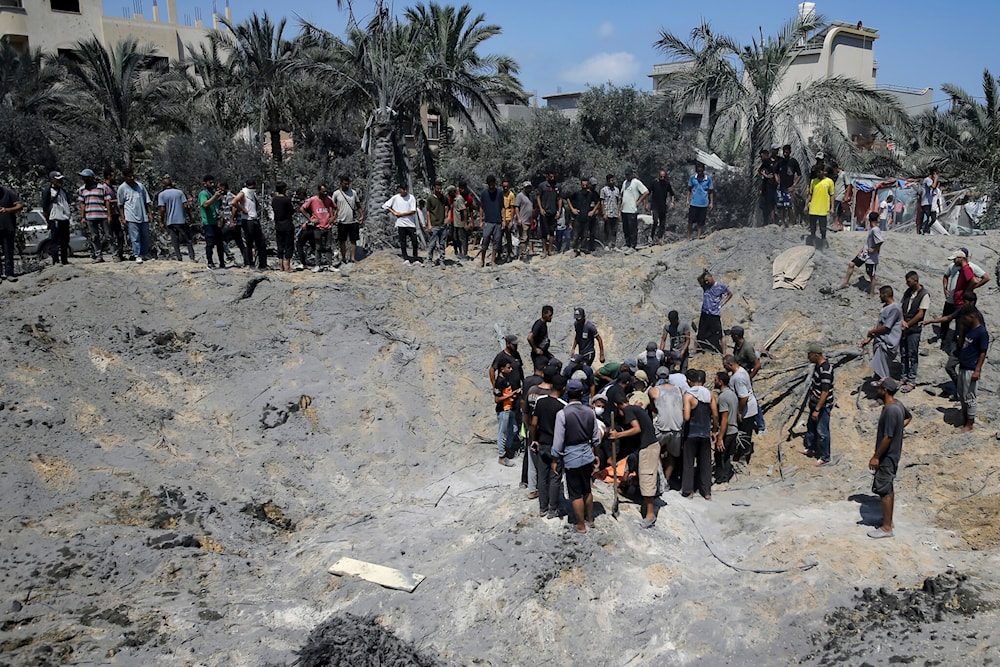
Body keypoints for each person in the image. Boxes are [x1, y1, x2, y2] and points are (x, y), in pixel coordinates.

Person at [551, 379, 600, 533]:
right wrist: (596, 456)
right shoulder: (590, 412)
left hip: (571, 458)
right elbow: (595, 438)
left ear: (566, 392)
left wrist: (555, 459)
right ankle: (590, 519)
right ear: (581, 393)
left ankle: (580, 525)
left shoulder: (562, 414)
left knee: (575, 493)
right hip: (587, 455)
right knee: (587, 489)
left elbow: (558, 441)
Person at [867, 377, 911, 538]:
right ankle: (888, 520)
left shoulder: (891, 410)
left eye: (879, 388)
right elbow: (908, 417)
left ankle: (886, 528)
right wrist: (900, 429)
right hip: (893, 454)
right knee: (888, 487)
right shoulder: (897, 404)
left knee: (884, 490)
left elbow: (888, 436)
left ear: (885, 390)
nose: (877, 390)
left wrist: (876, 456)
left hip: (887, 456)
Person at [609, 394, 660, 527]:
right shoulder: (635, 409)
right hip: (648, 447)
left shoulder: (628, 410)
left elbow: (637, 428)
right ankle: (646, 507)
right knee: (644, 477)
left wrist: (618, 435)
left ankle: (650, 515)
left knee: (647, 479)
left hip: (648, 448)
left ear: (616, 405)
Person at [938, 248, 989, 352]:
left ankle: (958, 349)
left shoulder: (968, 268)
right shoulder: (956, 267)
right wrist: (945, 289)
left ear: (961, 258)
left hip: (961, 302)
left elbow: (978, 280)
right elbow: (946, 276)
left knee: (959, 324)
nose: (953, 261)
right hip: (953, 299)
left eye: (955, 259)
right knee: (947, 319)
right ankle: (944, 339)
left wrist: (969, 290)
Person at [531, 374, 567, 518]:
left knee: (542, 475)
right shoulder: (563, 406)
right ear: (563, 388)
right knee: (555, 477)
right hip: (556, 446)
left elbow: (534, 424)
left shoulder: (540, 401)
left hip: (542, 443)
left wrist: (534, 440)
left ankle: (542, 507)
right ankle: (553, 509)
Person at [682, 368, 717, 500]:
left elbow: (686, 417)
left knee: (688, 462)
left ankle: (688, 491)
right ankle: (706, 491)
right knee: (705, 463)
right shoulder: (710, 394)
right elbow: (715, 414)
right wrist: (713, 430)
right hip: (705, 433)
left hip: (691, 433)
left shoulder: (688, 396)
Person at [649, 369, 685, 486]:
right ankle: (667, 480)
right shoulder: (678, 389)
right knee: (672, 455)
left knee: (655, 452)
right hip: (677, 426)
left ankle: (660, 480)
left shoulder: (654, 390)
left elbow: (653, 408)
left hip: (662, 426)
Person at [860, 286, 903, 384]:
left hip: (887, 343)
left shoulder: (895, 308)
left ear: (885, 294)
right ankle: (880, 388)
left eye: (880, 294)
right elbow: (879, 325)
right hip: (880, 341)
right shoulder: (885, 308)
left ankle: (886, 389)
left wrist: (871, 332)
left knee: (883, 370)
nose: (879, 297)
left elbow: (887, 327)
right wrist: (869, 339)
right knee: (880, 368)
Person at [800, 343, 834, 466]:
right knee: (811, 427)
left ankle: (825, 457)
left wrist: (817, 409)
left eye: (809, 355)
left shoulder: (825, 370)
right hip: (815, 403)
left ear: (815, 355)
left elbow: (825, 392)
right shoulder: (818, 366)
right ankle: (811, 448)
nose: (808, 357)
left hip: (822, 407)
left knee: (822, 431)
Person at [956, 307, 988, 432]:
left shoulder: (981, 332)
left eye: (965, 318)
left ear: (972, 316)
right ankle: (964, 420)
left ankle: (970, 424)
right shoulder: (969, 330)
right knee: (962, 395)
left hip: (971, 368)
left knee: (970, 396)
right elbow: (960, 345)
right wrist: (962, 330)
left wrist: (977, 370)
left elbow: (983, 352)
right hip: (963, 366)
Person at [723, 355, 759, 464]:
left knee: (744, 434)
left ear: (730, 364)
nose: (724, 368)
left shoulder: (738, 378)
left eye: (725, 366)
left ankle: (744, 456)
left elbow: (744, 397)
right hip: (748, 407)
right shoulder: (741, 372)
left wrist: (739, 412)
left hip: (747, 409)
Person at [899, 271, 929, 391]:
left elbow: (921, 313)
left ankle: (911, 379)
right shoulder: (908, 292)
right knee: (903, 353)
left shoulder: (924, 295)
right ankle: (903, 376)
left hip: (914, 329)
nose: (907, 284)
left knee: (912, 354)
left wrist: (908, 324)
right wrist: (902, 321)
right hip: (904, 327)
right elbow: (902, 307)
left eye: (909, 281)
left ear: (915, 280)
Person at [839, 213, 883, 296]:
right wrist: (861, 250)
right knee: (851, 264)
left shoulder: (876, 229)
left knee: (871, 275)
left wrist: (874, 249)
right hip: (865, 254)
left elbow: (880, 241)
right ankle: (845, 282)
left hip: (871, 257)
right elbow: (868, 242)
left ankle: (872, 293)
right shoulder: (873, 229)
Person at [117, 169, 154, 264]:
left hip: (143, 215)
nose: (132, 178)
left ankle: (144, 253)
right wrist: (123, 218)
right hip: (131, 216)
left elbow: (147, 201)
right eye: (129, 176)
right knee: (135, 237)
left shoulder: (140, 186)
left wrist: (150, 213)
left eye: (133, 175)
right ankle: (137, 255)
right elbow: (120, 205)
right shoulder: (122, 188)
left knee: (145, 236)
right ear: (125, 177)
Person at [300, 184, 337, 272]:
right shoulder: (313, 199)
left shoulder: (328, 199)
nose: (325, 193)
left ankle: (330, 265)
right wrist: (310, 219)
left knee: (328, 247)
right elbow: (302, 209)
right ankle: (317, 265)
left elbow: (335, 207)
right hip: (318, 227)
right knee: (318, 247)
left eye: (326, 191)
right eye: (323, 191)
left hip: (327, 226)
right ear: (319, 191)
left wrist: (333, 217)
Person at [78, 169, 111, 263]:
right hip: (90, 216)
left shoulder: (101, 188)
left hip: (102, 214)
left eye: (86, 177)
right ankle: (98, 255)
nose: (84, 179)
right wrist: (83, 217)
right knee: (94, 236)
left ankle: (114, 254)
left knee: (109, 235)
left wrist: (109, 215)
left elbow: (107, 202)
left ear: (91, 177)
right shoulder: (82, 189)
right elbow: (82, 204)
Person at [158, 177, 195, 262]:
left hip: (171, 221)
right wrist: (190, 217)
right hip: (181, 219)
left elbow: (162, 209)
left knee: (175, 240)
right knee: (187, 239)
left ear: (163, 185)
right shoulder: (179, 192)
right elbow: (185, 206)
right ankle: (192, 257)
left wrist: (162, 220)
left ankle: (179, 257)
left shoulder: (162, 195)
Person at [382, 183, 420, 265]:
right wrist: (394, 212)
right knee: (403, 241)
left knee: (414, 241)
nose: (405, 191)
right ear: (400, 189)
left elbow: (413, 210)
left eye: (406, 189)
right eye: (403, 189)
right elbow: (385, 205)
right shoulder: (395, 198)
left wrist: (401, 214)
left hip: (410, 224)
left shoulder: (411, 197)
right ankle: (405, 258)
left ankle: (415, 258)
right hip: (401, 224)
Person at [696, 270, 732, 354]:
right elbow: (698, 280)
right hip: (705, 313)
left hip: (714, 314)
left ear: (711, 277)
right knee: (700, 332)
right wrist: (703, 274)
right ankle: (696, 350)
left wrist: (722, 303)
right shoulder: (705, 286)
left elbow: (729, 294)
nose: (706, 282)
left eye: (707, 280)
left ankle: (724, 353)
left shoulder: (720, 286)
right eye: (705, 280)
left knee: (720, 334)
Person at [41, 171, 72, 266]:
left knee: (65, 241)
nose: (60, 181)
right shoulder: (48, 191)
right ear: (52, 180)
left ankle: (64, 260)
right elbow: (45, 207)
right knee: (55, 241)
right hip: (55, 218)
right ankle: (55, 261)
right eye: (58, 179)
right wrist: (48, 220)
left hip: (65, 219)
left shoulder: (63, 191)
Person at [493, 359, 520, 467]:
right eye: (509, 367)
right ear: (502, 369)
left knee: (514, 429)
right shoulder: (499, 381)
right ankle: (502, 457)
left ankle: (507, 449)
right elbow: (497, 399)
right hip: (503, 410)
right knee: (502, 433)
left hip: (510, 409)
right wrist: (511, 394)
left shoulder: (506, 378)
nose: (511, 369)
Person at [713, 371, 738, 483]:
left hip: (727, 431)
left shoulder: (723, 397)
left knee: (719, 455)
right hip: (734, 429)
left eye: (716, 380)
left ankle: (721, 478)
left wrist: (720, 438)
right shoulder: (732, 394)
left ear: (721, 382)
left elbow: (724, 419)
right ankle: (726, 476)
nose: (714, 381)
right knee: (727, 456)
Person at [332, 176, 364, 265]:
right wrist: (332, 218)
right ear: (341, 183)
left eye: (348, 184)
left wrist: (361, 215)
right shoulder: (336, 194)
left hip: (352, 220)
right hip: (341, 220)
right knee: (342, 240)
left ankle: (353, 258)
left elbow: (358, 205)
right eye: (345, 184)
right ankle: (343, 258)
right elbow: (332, 206)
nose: (346, 185)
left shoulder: (353, 192)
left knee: (353, 240)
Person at [198, 175, 227, 270]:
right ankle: (210, 262)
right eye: (210, 182)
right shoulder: (203, 194)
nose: (212, 184)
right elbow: (205, 204)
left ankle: (222, 262)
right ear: (205, 183)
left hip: (216, 221)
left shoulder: (214, 193)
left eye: (213, 182)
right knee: (210, 243)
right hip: (208, 222)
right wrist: (215, 197)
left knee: (220, 243)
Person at [805, 165, 835, 249]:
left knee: (823, 229)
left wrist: (832, 207)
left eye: (819, 171)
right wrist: (806, 205)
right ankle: (814, 246)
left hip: (823, 209)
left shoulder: (829, 182)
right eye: (816, 172)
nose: (818, 173)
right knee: (813, 229)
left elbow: (832, 195)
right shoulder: (813, 181)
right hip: (813, 208)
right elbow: (810, 194)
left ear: (823, 171)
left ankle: (823, 244)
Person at [620, 167, 648, 250]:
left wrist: (639, 201)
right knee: (626, 228)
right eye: (626, 175)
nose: (627, 176)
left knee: (632, 228)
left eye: (628, 175)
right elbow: (622, 194)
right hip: (624, 209)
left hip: (632, 209)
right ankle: (627, 244)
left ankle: (633, 245)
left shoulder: (636, 182)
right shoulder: (625, 183)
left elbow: (646, 192)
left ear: (632, 174)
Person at [568, 177, 599, 256]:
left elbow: (598, 201)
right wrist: (572, 209)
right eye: (583, 185)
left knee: (585, 235)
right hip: (578, 217)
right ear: (581, 185)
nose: (584, 187)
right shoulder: (577, 193)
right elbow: (568, 199)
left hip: (587, 217)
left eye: (586, 185)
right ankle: (574, 249)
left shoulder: (591, 194)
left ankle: (581, 249)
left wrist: (593, 211)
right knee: (575, 235)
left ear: (588, 185)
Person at [0, 180, 23, 282]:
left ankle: (9, 273)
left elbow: (19, 205)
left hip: (7, 227)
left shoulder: (8, 192)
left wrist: (7, 210)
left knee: (8, 251)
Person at [479, 175, 504, 267]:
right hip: (488, 221)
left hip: (497, 221)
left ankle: (493, 260)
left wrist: (503, 220)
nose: (491, 185)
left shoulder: (500, 193)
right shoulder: (484, 193)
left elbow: (503, 207)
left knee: (496, 242)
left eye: (493, 183)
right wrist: (481, 220)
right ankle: (482, 260)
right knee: (485, 240)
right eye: (490, 183)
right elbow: (481, 207)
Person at [271, 182, 295, 272]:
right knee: (288, 245)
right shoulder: (286, 200)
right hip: (287, 225)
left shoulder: (274, 200)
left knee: (280, 245)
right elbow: (291, 211)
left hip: (278, 225)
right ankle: (287, 266)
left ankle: (280, 265)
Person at [102, 169, 126, 261]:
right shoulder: (104, 188)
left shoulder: (112, 188)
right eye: (113, 176)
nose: (114, 177)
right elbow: (106, 201)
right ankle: (113, 253)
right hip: (108, 214)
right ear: (108, 176)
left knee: (119, 235)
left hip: (115, 214)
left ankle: (119, 253)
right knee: (109, 236)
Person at [686, 163, 714, 241]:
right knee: (690, 221)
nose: (700, 172)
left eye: (701, 170)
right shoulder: (692, 178)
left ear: (703, 170)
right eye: (698, 171)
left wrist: (711, 202)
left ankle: (698, 237)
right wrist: (687, 199)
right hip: (694, 203)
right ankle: (688, 237)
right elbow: (689, 189)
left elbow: (711, 191)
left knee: (701, 222)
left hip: (704, 203)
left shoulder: (708, 179)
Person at [535, 172, 561, 258]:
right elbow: (538, 197)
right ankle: (544, 250)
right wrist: (541, 208)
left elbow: (559, 199)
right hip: (544, 212)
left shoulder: (558, 186)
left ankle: (550, 250)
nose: (552, 178)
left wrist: (559, 211)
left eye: (553, 176)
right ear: (548, 176)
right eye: (551, 176)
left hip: (553, 212)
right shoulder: (542, 186)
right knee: (544, 232)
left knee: (552, 232)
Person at [775, 144, 801, 227]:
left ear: (790, 152)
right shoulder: (780, 162)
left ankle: (790, 222)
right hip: (781, 186)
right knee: (781, 206)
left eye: (787, 152)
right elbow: (775, 172)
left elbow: (799, 175)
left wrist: (794, 185)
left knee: (789, 206)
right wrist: (777, 180)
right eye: (784, 152)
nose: (785, 154)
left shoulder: (793, 161)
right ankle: (782, 222)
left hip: (789, 187)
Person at [649, 168, 676, 244]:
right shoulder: (654, 183)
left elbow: (672, 194)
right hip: (655, 205)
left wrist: (672, 202)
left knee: (662, 223)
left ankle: (660, 238)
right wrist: (647, 203)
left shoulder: (667, 184)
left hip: (663, 206)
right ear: (658, 176)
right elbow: (648, 192)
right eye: (661, 177)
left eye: (664, 177)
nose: (662, 178)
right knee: (655, 221)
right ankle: (651, 236)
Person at [514, 181, 535, 259]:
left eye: (529, 187)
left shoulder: (531, 197)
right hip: (523, 220)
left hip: (529, 220)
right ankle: (523, 254)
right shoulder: (520, 196)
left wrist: (533, 218)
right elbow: (516, 207)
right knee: (523, 237)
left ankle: (525, 252)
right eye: (527, 187)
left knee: (528, 238)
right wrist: (518, 218)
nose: (528, 189)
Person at [599, 174, 621, 249]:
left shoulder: (617, 190)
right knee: (607, 230)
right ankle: (606, 244)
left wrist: (619, 212)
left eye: (612, 180)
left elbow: (618, 201)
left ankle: (613, 244)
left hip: (615, 213)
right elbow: (602, 202)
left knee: (614, 230)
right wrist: (603, 213)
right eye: (610, 181)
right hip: (607, 213)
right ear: (607, 181)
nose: (611, 182)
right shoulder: (604, 190)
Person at [757, 148, 777, 226]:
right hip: (765, 187)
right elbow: (759, 170)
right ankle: (765, 222)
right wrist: (765, 175)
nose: (761, 158)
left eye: (762, 156)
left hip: (772, 186)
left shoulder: (770, 162)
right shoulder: (764, 163)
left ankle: (772, 221)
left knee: (771, 204)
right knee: (764, 205)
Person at [832, 164, 853, 231]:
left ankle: (836, 224)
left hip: (840, 194)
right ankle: (839, 225)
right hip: (835, 194)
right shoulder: (835, 175)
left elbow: (848, 184)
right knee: (839, 210)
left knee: (836, 209)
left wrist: (846, 196)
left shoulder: (843, 174)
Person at [918, 167, 938, 235]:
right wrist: (935, 179)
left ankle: (925, 229)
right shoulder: (928, 180)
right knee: (927, 217)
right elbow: (933, 186)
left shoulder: (929, 180)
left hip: (929, 202)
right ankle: (923, 229)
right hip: (925, 202)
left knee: (932, 218)